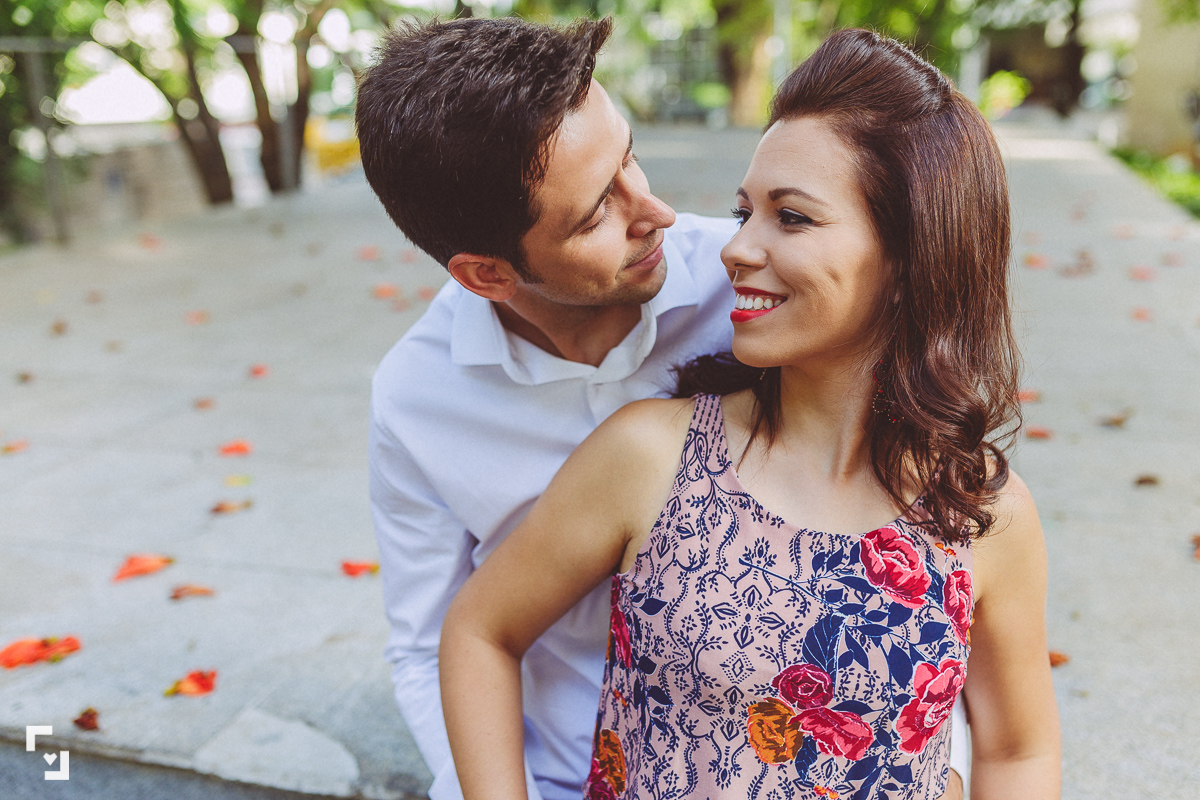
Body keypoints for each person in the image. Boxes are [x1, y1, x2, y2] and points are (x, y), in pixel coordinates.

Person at [439, 28, 1060, 800]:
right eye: (744, 213)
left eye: (791, 218)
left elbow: (1018, 750)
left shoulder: (984, 517)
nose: (736, 249)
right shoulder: (650, 458)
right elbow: (479, 632)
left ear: (911, 257)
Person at [356, 16, 737, 800]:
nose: (655, 211)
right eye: (597, 212)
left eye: (629, 155)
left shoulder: (752, 289)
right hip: (560, 773)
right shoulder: (416, 399)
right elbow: (428, 646)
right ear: (488, 275)